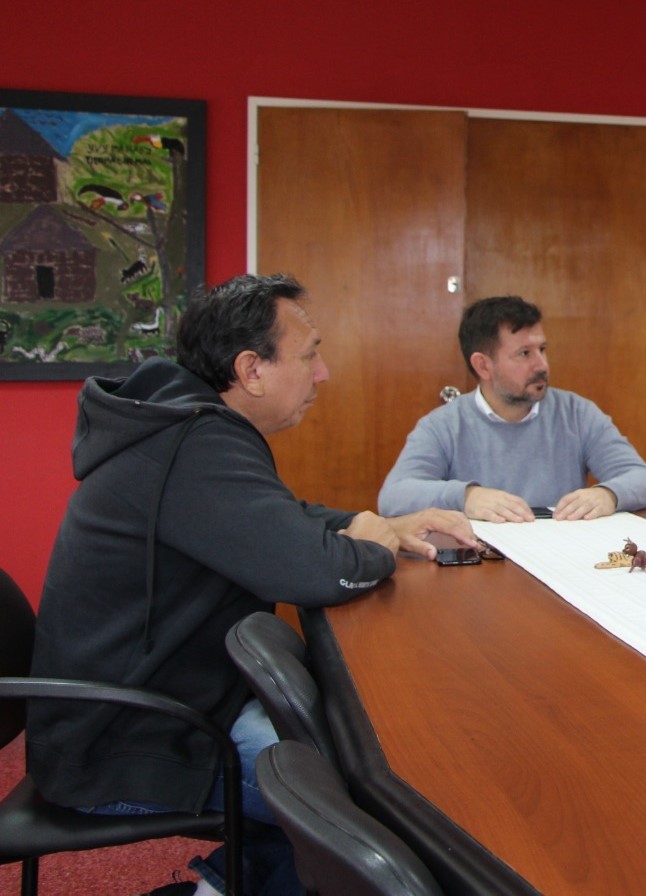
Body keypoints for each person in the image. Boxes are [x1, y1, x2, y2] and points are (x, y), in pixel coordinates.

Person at [27, 273, 478, 895]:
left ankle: (223, 886)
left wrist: (376, 523)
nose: (322, 373)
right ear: (252, 369)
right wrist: (372, 546)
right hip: (125, 746)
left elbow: (277, 518)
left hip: (159, 705)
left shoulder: (185, 424)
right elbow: (316, 572)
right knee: (374, 800)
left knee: (334, 749)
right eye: (310, 353)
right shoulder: (193, 443)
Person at [377, 295, 646, 522]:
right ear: (483, 365)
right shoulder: (443, 425)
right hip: (482, 569)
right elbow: (393, 496)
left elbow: (645, 481)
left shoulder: (577, 413)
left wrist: (608, 494)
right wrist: (467, 496)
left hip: (562, 558)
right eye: (524, 354)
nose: (542, 365)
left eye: (543, 350)